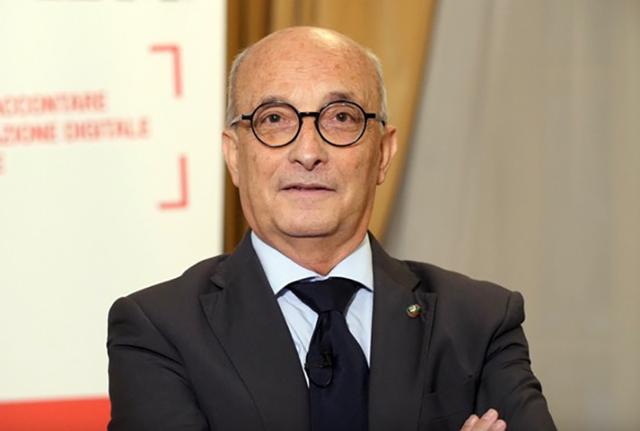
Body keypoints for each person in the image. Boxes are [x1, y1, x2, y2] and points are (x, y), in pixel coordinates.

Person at [107, 27, 556, 431]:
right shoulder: (159, 330)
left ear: (383, 153)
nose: (308, 152)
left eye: (341, 117)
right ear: (235, 156)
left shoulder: (479, 320)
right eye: (274, 118)